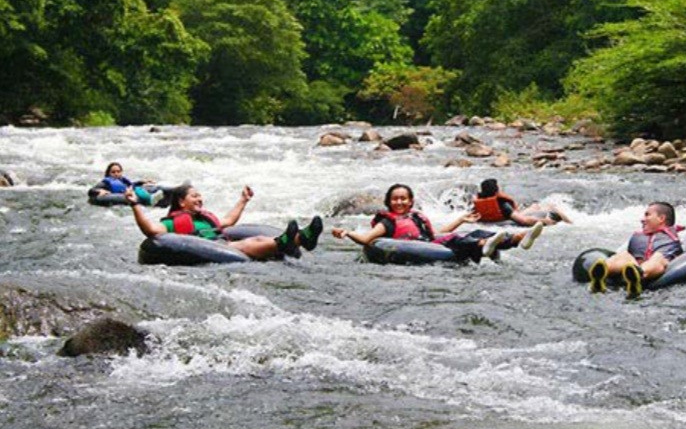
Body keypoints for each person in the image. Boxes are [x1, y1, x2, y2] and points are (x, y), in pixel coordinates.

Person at [331, 183, 544, 262]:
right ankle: (485, 246)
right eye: (395, 199)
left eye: (403, 198)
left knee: (477, 231)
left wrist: (460, 219)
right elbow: (367, 239)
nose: (399, 202)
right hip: (417, 249)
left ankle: (518, 239)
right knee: (462, 243)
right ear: (388, 202)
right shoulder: (387, 222)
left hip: (431, 243)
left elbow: (436, 232)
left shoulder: (415, 217)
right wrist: (347, 233)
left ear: (411, 201)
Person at [125, 183, 323, 260]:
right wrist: (135, 205)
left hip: (221, 243)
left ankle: (302, 239)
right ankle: (285, 242)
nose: (199, 199)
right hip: (208, 249)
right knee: (249, 243)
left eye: (200, 195)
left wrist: (243, 200)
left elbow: (228, 221)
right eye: (194, 196)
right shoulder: (171, 223)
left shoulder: (205, 219)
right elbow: (150, 230)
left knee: (260, 237)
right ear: (181, 201)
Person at [588, 201, 686, 299]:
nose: (642, 219)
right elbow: (616, 254)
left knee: (658, 258)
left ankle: (639, 275)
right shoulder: (636, 237)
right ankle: (602, 271)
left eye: (647, 215)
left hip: (658, 266)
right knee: (623, 255)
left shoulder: (682, 236)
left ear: (661, 218)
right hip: (633, 264)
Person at [472, 178, 572, 226]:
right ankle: (571, 224)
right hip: (510, 221)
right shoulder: (503, 204)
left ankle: (535, 207)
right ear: (496, 191)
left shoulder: (477, 203)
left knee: (535, 206)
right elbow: (524, 221)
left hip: (500, 220)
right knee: (551, 207)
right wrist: (546, 222)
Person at [93, 162, 164, 206]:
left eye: (118, 171)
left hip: (127, 193)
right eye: (113, 172)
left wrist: (142, 182)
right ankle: (150, 199)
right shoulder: (105, 183)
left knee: (137, 188)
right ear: (108, 173)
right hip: (119, 196)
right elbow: (91, 190)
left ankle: (151, 197)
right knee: (137, 190)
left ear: (121, 172)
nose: (116, 174)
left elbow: (132, 184)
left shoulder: (123, 180)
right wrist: (99, 191)